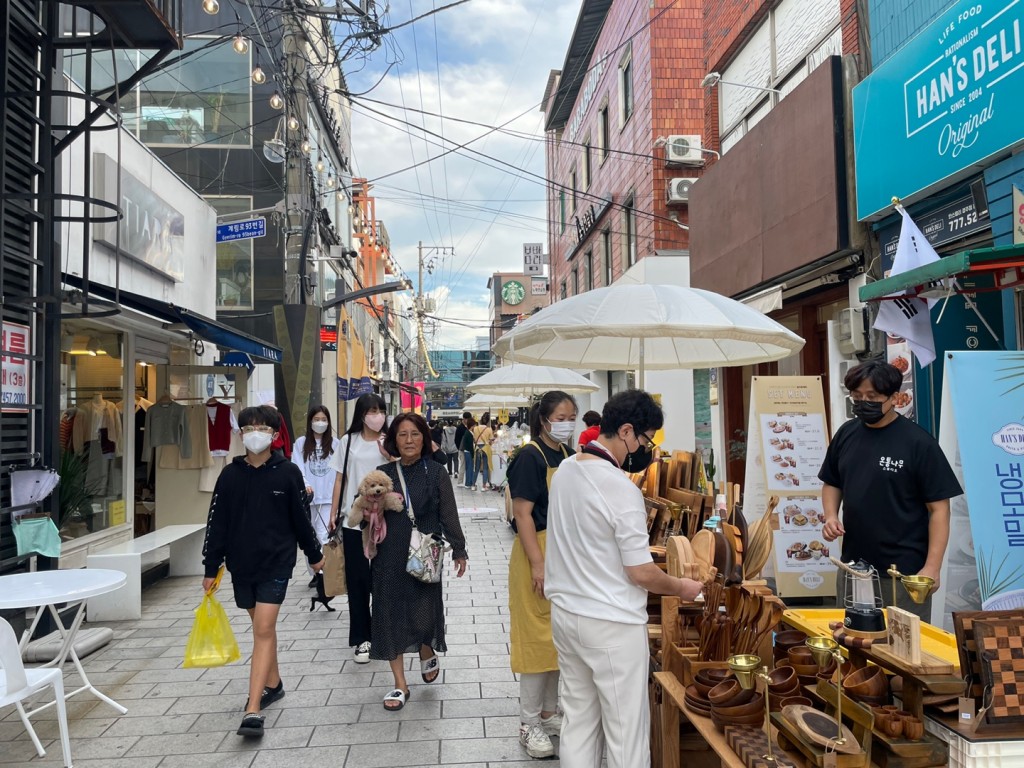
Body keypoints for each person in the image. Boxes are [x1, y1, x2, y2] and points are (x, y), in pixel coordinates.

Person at [545, 390, 703, 768]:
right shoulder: (620, 488)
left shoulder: (567, 469)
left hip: (566, 614)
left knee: (579, 722)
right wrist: (684, 587)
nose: (648, 448)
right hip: (612, 624)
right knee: (626, 731)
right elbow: (641, 572)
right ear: (627, 431)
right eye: (647, 439)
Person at [202, 405, 324, 739]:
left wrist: (315, 555)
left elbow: (301, 518)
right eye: (249, 426)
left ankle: (253, 708)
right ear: (240, 433)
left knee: (264, 629)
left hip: (276, 562)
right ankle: (274, 683)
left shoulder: (287, 473)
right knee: (260, 627)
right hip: (241, 564)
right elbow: (217, 523)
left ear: (274, 434)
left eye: (263, 427)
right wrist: (211, 566)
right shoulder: (230, 474)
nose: (256, 432)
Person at [819, 360, 962, 620]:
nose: (863, 403)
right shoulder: (846, 434)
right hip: (854, 566)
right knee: (852, 642)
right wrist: (830, 515)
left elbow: (939, 509)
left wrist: (932, 567)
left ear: (895, 398)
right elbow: (832, 481)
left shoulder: (919, 444)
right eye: (857, 396)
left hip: (904, 572)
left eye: (872, 397)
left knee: (904, 649)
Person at [368, 413, 468, 711]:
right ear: (393, 441)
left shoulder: (435, 472)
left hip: (424, 555)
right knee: (387, 613)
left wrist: (459, 550)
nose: (409, 440)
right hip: (387, 555)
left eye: (414, 434)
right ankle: (400, 684)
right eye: (402, 435)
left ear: (424, 438)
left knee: (423, 611)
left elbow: (449, 514)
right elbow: (366, 511)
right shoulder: (382, 473)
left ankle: (426, 648)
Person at [507, 391, 577, 759]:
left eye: (572, 416)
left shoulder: (565, 454)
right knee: (536, 639)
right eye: (561, 416)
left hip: (561, 554)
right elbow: (522, 515)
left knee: (556, 639)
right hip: (537, 552)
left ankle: (549, 714)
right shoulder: (529, 457)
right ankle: (528, 722)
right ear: (544, 419)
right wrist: (537, 564)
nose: (568, 422)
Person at [328, 393, 391, 663]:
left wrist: (390, 453)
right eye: (371, 410)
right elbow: (340, 479)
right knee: (358, 581)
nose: (376, 415)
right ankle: (362, 638)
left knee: (384, 579)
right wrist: (333, 512)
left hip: (386, 520)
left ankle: (384, 632)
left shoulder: (389, 440)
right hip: (354, 519)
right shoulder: (347, 441)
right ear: (361, 414)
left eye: (380, 410)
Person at [291, 405, 340, 586]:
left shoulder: (336, 444)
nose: (320, 423)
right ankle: (314, 572)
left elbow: (339, 473)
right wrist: (305, 485)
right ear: (310, 421)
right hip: (308, 498)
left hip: (328, 498)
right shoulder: (301, 443)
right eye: (316, 419)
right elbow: (297, 467)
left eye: (323, 419)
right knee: (309, 536)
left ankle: (326, 571)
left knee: (325, 535)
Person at [471, 411, 495, 491]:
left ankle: (473, 485)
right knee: (485, 467)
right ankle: (484, 486)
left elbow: (474, 440)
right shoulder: (489, 429)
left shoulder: (475, 428)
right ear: (488, 421)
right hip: (486, 448)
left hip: (478, 448)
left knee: (476, 468)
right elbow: (491, 440)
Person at [460, 412, 477, 489]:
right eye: (474, 425)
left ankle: (469, 482)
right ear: (472, 425)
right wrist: (473, 454)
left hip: (467, 452)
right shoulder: (469, 433)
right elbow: (470, 446)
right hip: (469, 452)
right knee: (469, 468)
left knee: (469, 468)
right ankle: (468, 483)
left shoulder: (468, 432)